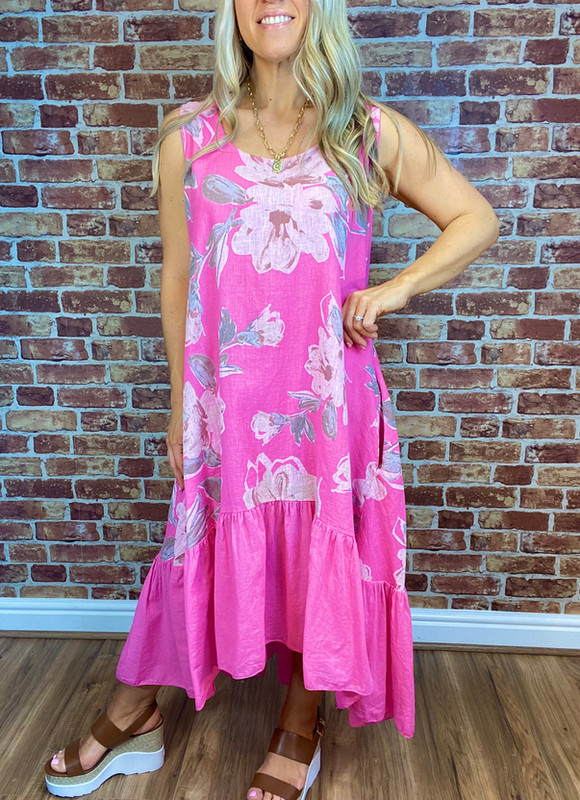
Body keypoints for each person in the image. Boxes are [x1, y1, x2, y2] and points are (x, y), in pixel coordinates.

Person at [44, 0, 500, 798]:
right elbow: (178, 278)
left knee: (320, 549)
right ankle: (136, 710)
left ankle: (300, 720)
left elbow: (476, 218)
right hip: (228, 403)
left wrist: (395, 289)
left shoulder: (365, 132)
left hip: (328, 404)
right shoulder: (189, 138)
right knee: (189, 546)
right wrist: (180, 401)